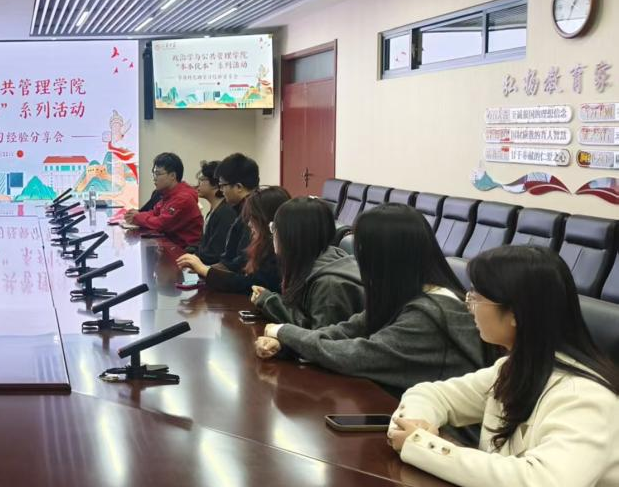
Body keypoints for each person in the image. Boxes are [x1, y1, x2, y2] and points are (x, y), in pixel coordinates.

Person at [389, 246, 618, 487]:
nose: (469, 305)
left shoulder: (586, 397)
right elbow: (432, 394)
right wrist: (418, 423)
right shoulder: (514, 368)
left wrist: (424, 446)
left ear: (514, 314)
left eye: (477, 297)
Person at [255, 203, 486, 393]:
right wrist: (287, 344)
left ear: (382, 259)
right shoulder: (406, 295)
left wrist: (283, 331)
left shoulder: (429, 315)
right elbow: (344, 330)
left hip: (444, 428)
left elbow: (356, 355)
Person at [250, 197, 363, 329]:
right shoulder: (316, 259)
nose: (273, 234)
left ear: (293, 235)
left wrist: (269, 302)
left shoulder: (329, 285)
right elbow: (305, 318)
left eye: (275, 228)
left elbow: (318, 335)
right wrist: (269, 300)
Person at [175, 153, 260, 291]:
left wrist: (206, 270)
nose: (221, 190)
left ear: (239, 187)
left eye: (223, 185)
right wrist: (206, 270)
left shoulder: (252, 214)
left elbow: (241, 264)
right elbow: (232, 261)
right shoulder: (243, 209)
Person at [122, 153, 203, 247]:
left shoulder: (183, 198)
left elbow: (161, 224)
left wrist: (137, 217)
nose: (154, 178)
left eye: (158, 174)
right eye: (154, 173)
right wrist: (136, 215)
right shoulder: (168, 194)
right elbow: (155, 212)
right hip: (171, 245)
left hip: (184, 250)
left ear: (172, 175)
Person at [187, 160, 236, 264]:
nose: (198, 184)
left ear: (215, 184)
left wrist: (193, 257)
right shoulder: (214, 211)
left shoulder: (225, 213)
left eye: (201, 179)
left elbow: (215, 253)